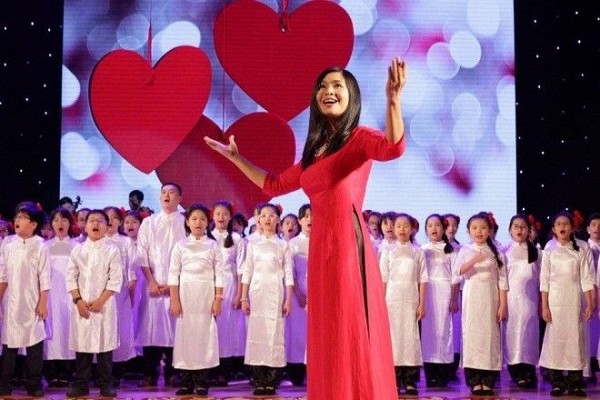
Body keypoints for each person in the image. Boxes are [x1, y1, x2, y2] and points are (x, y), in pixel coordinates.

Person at [205, 57, 407, 399]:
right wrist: (235, 158)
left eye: (337, 86)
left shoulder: (359, 138)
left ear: (352, 96)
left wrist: (393, 100)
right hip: (322, 251)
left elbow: (393, 148)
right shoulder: (315, 152)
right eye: (323, 86)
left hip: (346, 245)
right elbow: (272, 184)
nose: (329, 91)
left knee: (348, 323)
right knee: (328, 329)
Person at [168, 203, 224, 396]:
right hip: (185, 295)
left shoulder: (213, 245)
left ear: (207, 222)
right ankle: (186, 381)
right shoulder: (180, 245)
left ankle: (202, 382)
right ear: (187, 222)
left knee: (204, 336)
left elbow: (219, 274)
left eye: (202, 219)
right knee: (185, 336)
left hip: (206, 295)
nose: (198, 222)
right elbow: (173, 274)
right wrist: (174, 300)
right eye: (194, 219)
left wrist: (218, 299)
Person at [66, 209, 123, 398]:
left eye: (100, 221)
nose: (96, 224)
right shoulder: (77, 250)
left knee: (104, 347)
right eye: (91, 220)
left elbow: (115, 279)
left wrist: (100, 301)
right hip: (82, 306)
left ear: (107, 226)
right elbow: (70, 277)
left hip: (104, 305)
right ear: (85, 226)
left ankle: (106, 385)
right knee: (82, 348)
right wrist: (78, 301)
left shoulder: (113, 250)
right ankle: (81, 385)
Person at [136, 183, 186, 387]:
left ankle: (174, 372)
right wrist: (151, 281)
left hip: (179, 285)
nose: (167, 195)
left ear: (180, 199)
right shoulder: (149, 222)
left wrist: (175, 285)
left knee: (177, 328)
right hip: (154, 284)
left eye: (172, 193)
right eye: (164, 192)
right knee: (151, 328)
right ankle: (150, 372)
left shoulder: (185, 222)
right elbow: (142, 253)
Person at [240, 203, 294, 396]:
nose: (267, 219)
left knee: (275, 334)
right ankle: (259, 381)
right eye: (263, 215)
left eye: (271, 215)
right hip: (256, 294)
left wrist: (288, 299)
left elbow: (288, 274)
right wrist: (244, 297)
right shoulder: (253, 245)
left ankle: (272, 381)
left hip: (275, 294)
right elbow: (247, 272)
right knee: (256, 334)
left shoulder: (283, 245)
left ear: (277, 219)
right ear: (258, 219)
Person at [452, 212, 508, 396]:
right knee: (472, 337)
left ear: (490, 230)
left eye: (483, 228)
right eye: (475, 228)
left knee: (490, 337)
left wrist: (503, 305)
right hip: (472, 300)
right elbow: (457, 272)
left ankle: (488, 380)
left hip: (491, 300)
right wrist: (474, 260)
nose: (479, 231)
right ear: (468, 231)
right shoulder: (465, 250)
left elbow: (503, 281)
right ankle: (475, 380)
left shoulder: (497, 252)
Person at [539, 211, 594, 397]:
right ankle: (557, 383)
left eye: (566, 224)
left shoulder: (581, 248)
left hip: (574, 301)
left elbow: (586, 278)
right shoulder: (549, 249)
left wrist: (590, 303)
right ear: (554, 229)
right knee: (555, 341)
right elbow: (544, 281)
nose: (562, 227)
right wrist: (544, 306)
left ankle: (575, 383)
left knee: (574, 340)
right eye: (558, 224)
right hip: (555, 302)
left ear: (572, 228)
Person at [0, 204, 50, 397]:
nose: (17, 220)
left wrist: (43, 302)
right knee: (9, 345)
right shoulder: (8, 244)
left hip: (32, 302)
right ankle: (5, 384)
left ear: (34, 224)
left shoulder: (40, 245)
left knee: (34, 345)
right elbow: (3, 276)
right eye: (16, 217)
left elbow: (44, 277)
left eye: (22, 217)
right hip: (12, 303)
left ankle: (34, 385)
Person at [379, 213, 428, 396]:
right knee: (393, 340)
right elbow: (383, 279)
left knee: (410, 340)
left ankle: (410, 380)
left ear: (412, 229)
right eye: (398, 225)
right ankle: (393, 380)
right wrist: (380, 304)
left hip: (411, 300)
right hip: (391, 300)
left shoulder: (418, 251)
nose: (402, 229)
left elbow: (423, 279)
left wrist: (422, 304)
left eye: (405, 226)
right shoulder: (388, 251)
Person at [502, 214, 540, 389]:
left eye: (523, 227)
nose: (519, 230)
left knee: (528, 335)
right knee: (512, 335)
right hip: (510, 301)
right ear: (510, 230)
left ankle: (529, 371)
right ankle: (516, 372)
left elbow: (542, 279)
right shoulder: (504, 251)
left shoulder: (537, 252)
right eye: (516, 226)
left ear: (529, 231)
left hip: (530, 301)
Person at [210, 200, 246, 385]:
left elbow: (241, 268)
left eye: (225, 214)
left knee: (227, 328)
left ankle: (225, 371)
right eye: (218, 213)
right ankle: (209, 370)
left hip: (230, 285)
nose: (221, 217)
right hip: (209, 286)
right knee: (211, 328)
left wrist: (239, 294)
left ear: (230, 217)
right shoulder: (207, 237)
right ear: (212, 216)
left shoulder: (236, 239)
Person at [420, 214, 457, 388]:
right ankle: (430, 374)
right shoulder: (422, 249)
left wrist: (454, 299)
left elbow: (455, 277)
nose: (433, 228)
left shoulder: (450, 250)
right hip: (427, 293)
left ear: (443, 229)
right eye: (430, 225)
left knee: (443, 332)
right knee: (428, 334)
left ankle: (443, 373)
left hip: (444, 293)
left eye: (437, 225)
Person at [44, 208, 78, 387]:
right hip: (50, 296)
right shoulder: (44, 247)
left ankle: (67, 371)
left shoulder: (77, 247)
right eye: (56, 220)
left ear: (70, 223)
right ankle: (51, 372)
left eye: (64, 220)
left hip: (70, 295)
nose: (60, 223)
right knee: (52, 330)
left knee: (67, 330)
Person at [285, 203, 311, 386]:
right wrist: (300, 295)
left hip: (319, 295)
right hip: (297, 295)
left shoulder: (323, 239)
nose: (310, 219)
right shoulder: (292, 244)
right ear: (300, 220)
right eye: (306, 216)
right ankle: (296, 371)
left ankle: (315, 370)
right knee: (297, 332)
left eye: (313, 216)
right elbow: (290, 272)